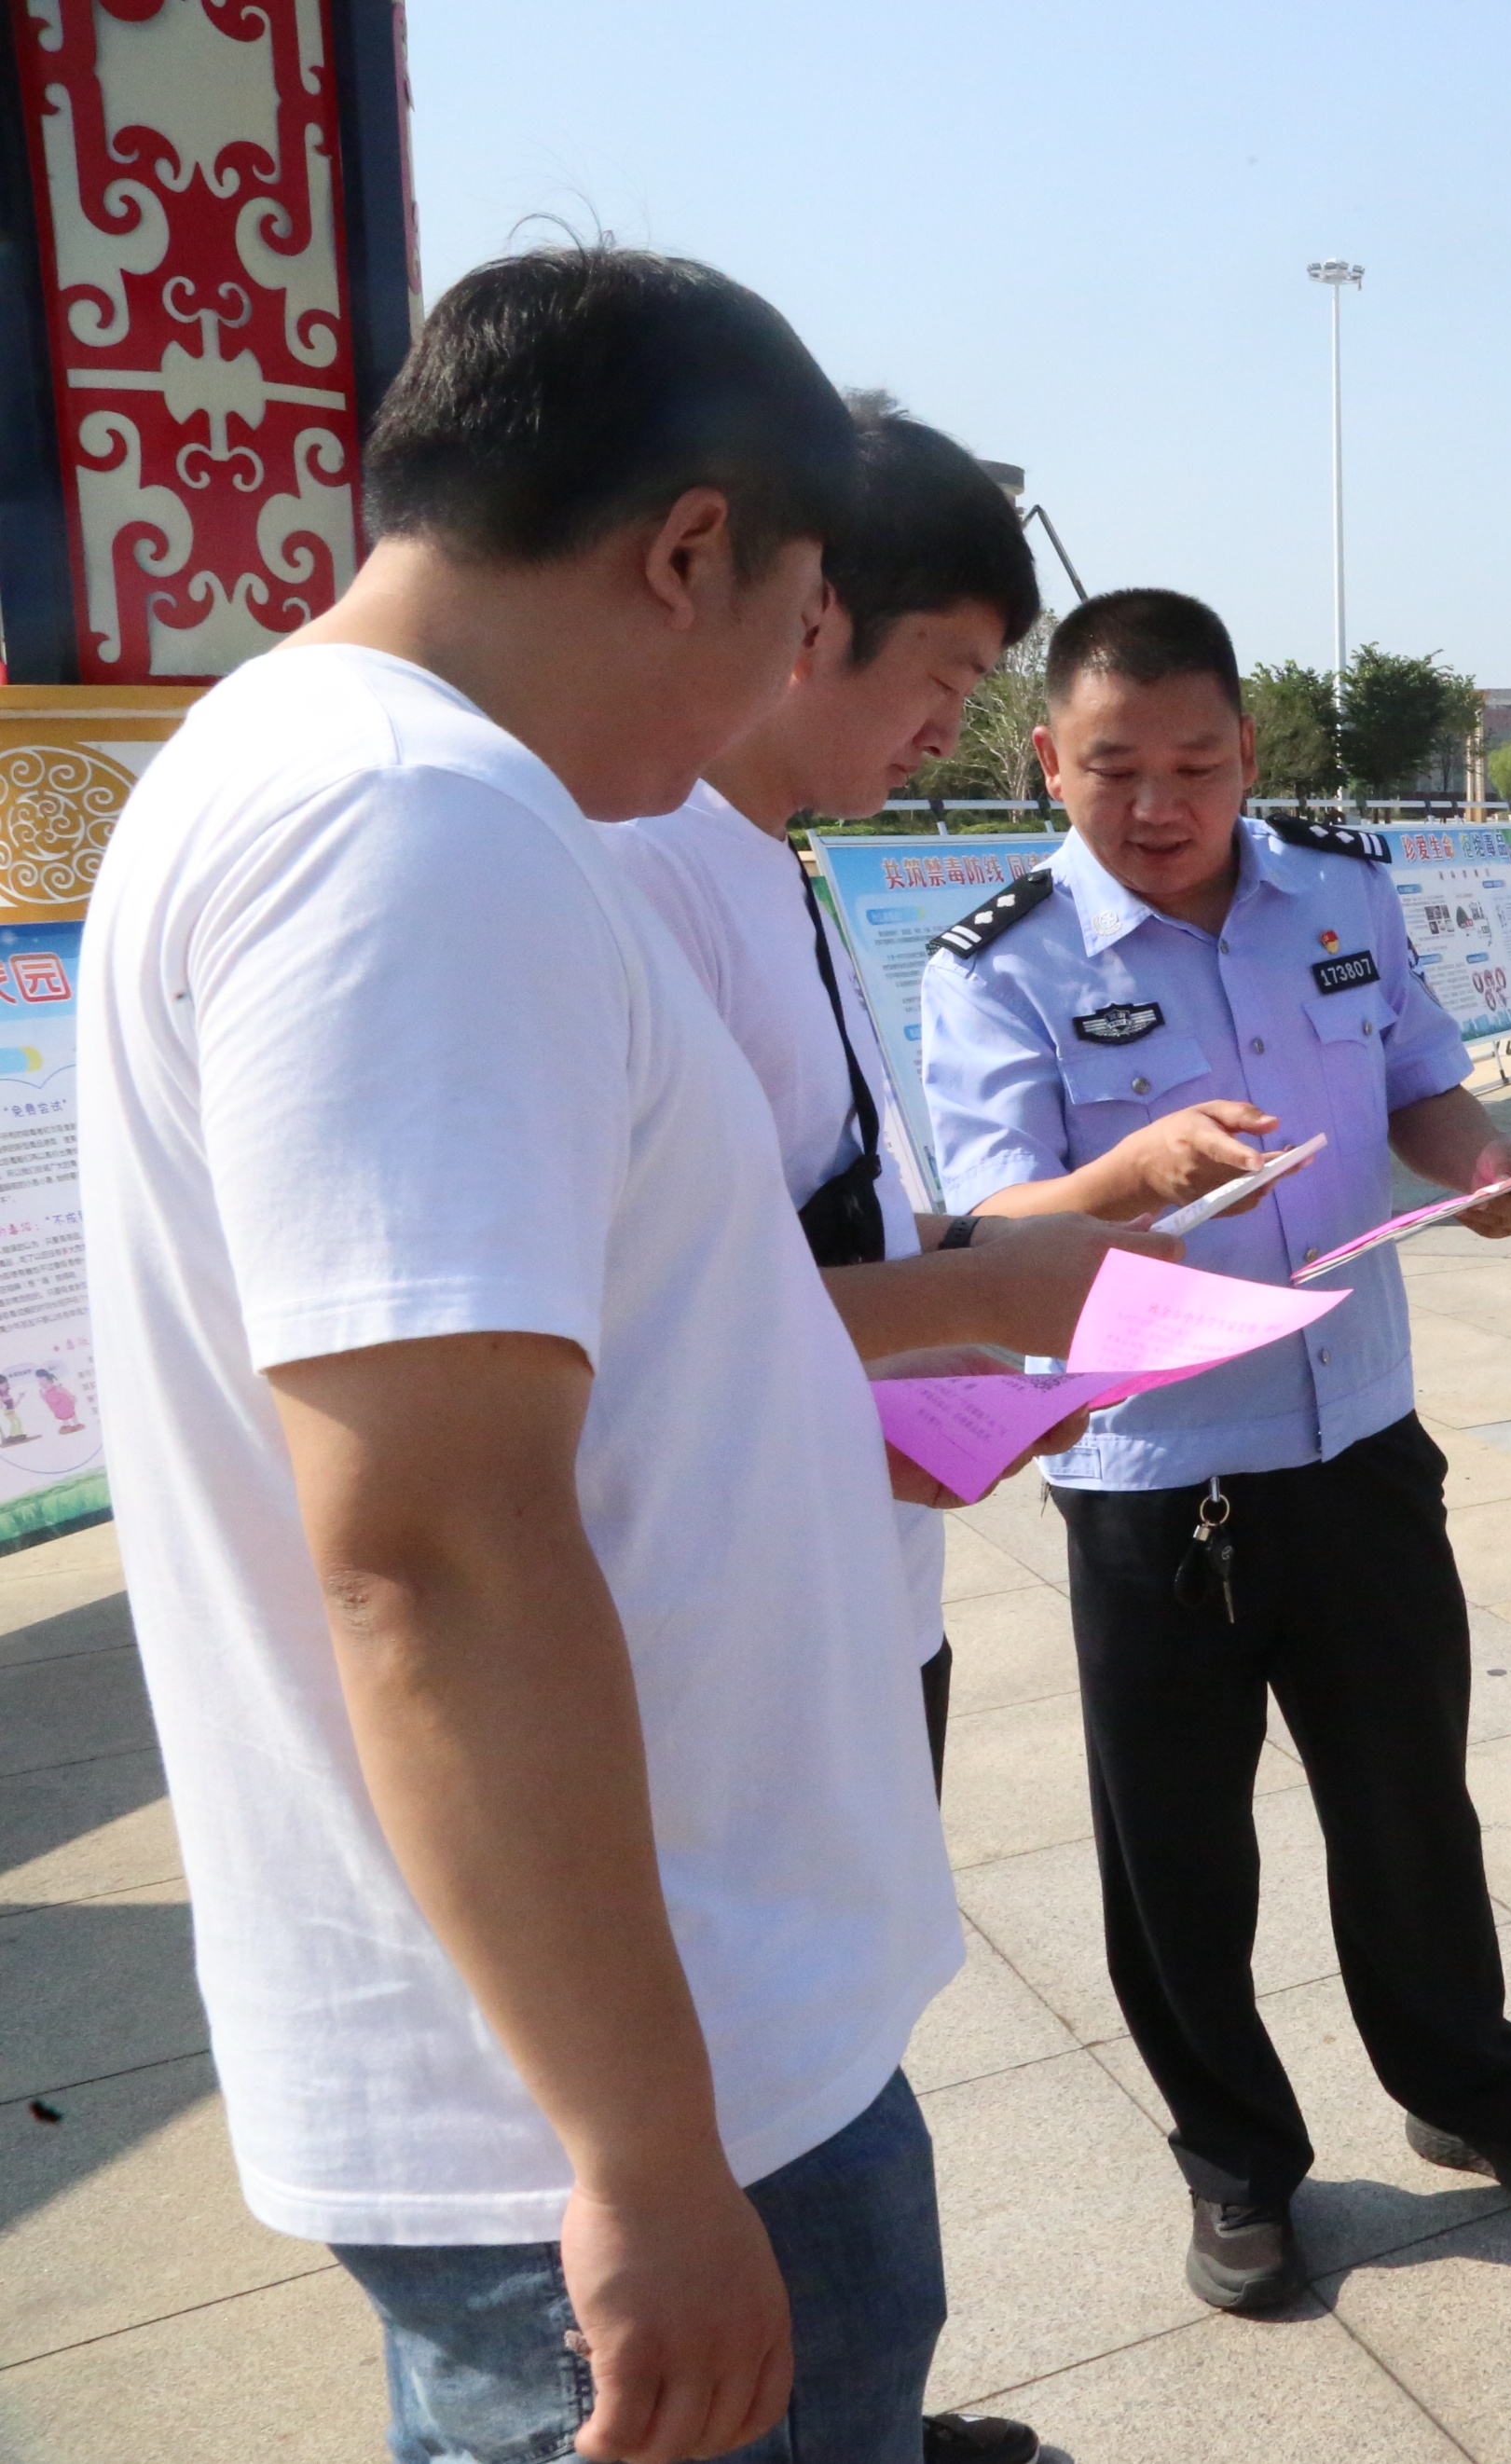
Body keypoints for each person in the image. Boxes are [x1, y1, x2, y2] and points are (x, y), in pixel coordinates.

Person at [85, 247, 965, 2464]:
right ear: (689, 550)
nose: (775, 687)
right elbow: (435, 1548)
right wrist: (648, 2157)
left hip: (642, 2039)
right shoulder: (413, 826)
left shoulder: (328, 770)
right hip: (625, 2093)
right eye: (798, 616)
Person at [921, 586, 1511, 2320]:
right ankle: (1236, 2159)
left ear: (1248, 751)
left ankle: (1469, 2083)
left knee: (1408, 1798)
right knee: (1177, 1847)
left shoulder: (1338, 891)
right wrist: (1127, 1175)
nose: (1159, 805)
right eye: (1114, 768)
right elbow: (985, 1226)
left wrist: (1484, 1165)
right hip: (1155, 1473)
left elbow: (1420, 1077)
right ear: (1048, 762)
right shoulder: (1000, 964)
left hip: (1360, 1436)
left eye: (1196, 764)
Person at [600, 395, 1132, 2464]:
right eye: (948, 675)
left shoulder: (773, 862)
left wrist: (1031, 1258)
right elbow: (661, 1336)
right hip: (728, 1639)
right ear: (806, 611)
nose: (956, 729)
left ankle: (866, 2419)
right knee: (773, 2109)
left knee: (844, 2078)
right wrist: (991, 1305)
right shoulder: (637, 873)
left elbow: (838, 1225)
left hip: (858, 1574)